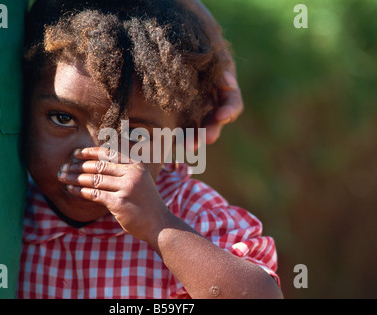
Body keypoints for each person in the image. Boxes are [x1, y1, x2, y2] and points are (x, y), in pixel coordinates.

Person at [17, 0, 281, 299]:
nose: (92, 155)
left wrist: (159, 226)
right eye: (62, 118)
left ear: (179, 135)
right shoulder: (8, 203)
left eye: (133, 134)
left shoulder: (192, 215)